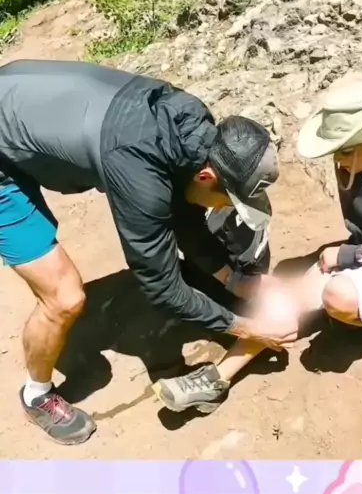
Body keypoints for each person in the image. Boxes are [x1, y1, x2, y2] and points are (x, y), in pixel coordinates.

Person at [0, 58, 298, 445]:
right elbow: (161, 286)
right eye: (229, 200)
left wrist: (236, 280)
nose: (226, 208)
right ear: (207, 175)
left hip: (21, 96)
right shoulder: (137, 171)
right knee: (64, 297)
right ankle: (36, 395)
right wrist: (247, 328)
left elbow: (183, 208)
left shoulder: (194, 127)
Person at [158, 79, 362, 413]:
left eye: (346, 150)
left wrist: (347, 254)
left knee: (338, 295)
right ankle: (218, 379)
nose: (339, 159)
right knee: (292, 295)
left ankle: (360, 324)